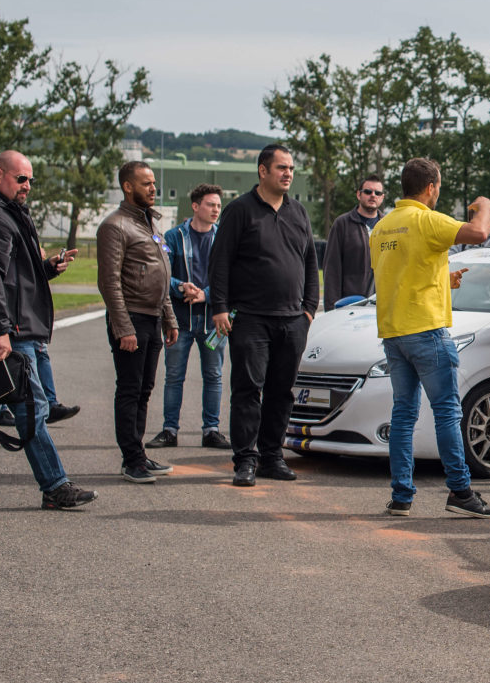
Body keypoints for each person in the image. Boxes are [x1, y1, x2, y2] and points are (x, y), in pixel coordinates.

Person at [0, 149, 97, 511]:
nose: (27, 186)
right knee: (31, 407)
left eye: (30, 180)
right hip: (7, 331)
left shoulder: (6, 212)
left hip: (7, 327)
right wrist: (0, 331)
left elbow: (13, 274)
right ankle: (55, 486)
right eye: (20, 178)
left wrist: (48, 267)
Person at [369, 157, 490, 517]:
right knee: (446, 412)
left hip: (394, 334)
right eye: (438, 187)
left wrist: (443, 279)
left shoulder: (382, 227)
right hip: (426, 330)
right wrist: (484, 207)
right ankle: (460, 492)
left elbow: (400, 274)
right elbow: (479, 234)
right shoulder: (425, 219)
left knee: (403, 414)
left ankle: (401, 496)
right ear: (430, 188)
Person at [209, 144, 320, 488]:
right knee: (247, 389)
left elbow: (310, 263)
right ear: (262, 170)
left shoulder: (298, 212)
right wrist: (220, 308)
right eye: (281, 168)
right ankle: (245, 459)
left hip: (292, 320)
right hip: (251, 319)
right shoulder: (240, 210)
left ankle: (272, 456)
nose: (288, 174)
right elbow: (220, 261)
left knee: (281, 391)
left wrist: (309, 309)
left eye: (291, 169)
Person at [97, 161, 180, 484]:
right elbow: (109, 282)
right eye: (146, 184)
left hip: (153, 317)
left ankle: (139, 453)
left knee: (145, 389)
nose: (153, 189)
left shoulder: (149, 225)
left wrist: (169, 318)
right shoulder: (115, 226)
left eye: (154, 184)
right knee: (130, 390)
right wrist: (123, 327)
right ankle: (131, 459)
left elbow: (163, 276)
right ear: (128, 187)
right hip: (131, 317)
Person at [149, 184, 229, 450]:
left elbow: (231, 275)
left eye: (218, 205)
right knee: (174, 376)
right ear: (195, 206)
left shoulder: (224, 238)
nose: (216, 209)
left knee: (214, 375)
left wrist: (206, 295)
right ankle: (169, 430)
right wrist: (180, 287)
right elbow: (159, 270)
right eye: (210, 204)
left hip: (213, 320)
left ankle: (212, 430)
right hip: (180, 320)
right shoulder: (171, 236)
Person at [323, 173, 386, 310]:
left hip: (381, 307)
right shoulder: (342, 224)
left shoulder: (389, 226)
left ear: (382, 197)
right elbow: (332, 269)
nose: (373, 195)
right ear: (359, 194)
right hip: (349, 306)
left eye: (377, 192)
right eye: (368, 191)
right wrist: (331, 308)